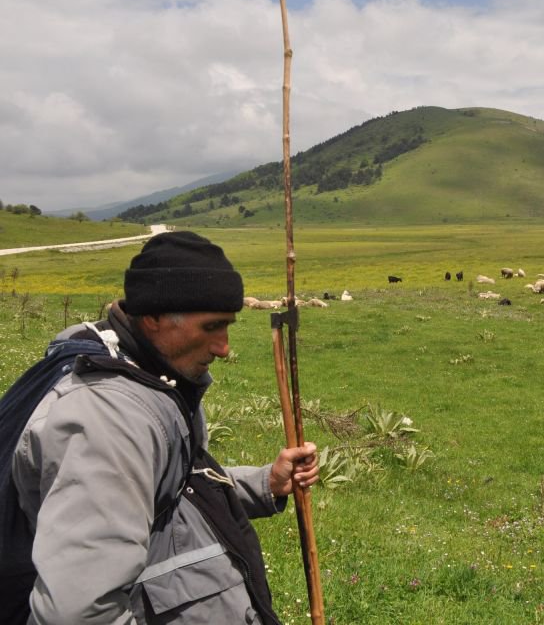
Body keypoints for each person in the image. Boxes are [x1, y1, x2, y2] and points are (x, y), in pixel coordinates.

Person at [10, 231, 318, 624]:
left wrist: (265, 484)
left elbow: (172, 491)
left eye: (228, 326)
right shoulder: (110, 423)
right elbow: (78, 613)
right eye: (211, 327)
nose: (224, 347)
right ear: (153, 317)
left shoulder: (154, 378)